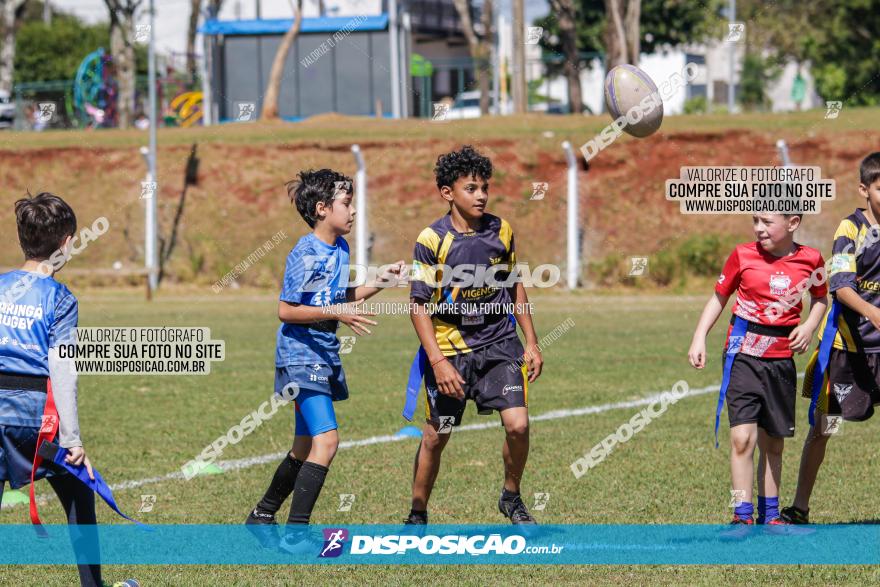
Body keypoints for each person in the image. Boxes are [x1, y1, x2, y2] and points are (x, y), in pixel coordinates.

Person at [244, 169, 403, 547]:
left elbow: (334, 297)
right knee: (327, 442)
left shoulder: (340, 249)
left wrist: (379, 282)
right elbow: (286, 309)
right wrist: (336, 314)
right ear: (321, 209)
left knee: (304, 446)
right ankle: (297, 534)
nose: (353, 212)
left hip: (322, 355)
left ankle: (262, 515)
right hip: (301, 357)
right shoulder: (305, 252)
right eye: (347, 204)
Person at [405, 145, 543, 525]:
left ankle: (511, 497)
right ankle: (417, 514)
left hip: (500, 345)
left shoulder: (502, 231)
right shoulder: (431, 241)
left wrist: (531, 341)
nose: (481, 195)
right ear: (448, 193)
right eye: (471, 188)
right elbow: (418, 305)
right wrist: (438, 361)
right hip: (450, 352)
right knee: (437, 435)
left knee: (518, 425)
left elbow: (516, 286)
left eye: (485, 187)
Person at [688, 213, 827, 526]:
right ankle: (741, 515)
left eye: (767, 221)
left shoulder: (811, 260)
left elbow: (820, 299)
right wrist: (699, 337)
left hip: (781, 361)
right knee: (741, 439)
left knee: (773, 442)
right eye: (755, 221)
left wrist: (809, 326)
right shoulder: (743, 255)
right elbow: (718, 298)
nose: (759, 228)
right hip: (742, 355)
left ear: (793, 222)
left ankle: (771, 516)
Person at [0, 193, 101, 586]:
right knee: (79, 488)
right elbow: (63, 371)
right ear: (65, 243)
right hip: (33, 422)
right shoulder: (60, 298)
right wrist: (73, 440)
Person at [782, 152, 880, 524]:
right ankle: (800, 507)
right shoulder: (850, 230)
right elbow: (840, 287)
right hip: (848, 351)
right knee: (826, 428)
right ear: (864, 190)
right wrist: (872, 312)